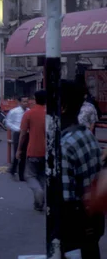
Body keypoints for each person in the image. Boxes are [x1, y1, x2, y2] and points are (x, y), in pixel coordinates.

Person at [60, 80, 105, 258]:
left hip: (75, 228)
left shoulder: (64, 145)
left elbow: (66, 201)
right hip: (94, 221)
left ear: (62, 106)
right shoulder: (87, 136)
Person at [16, 90, 47, 212]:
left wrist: (19, 150)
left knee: (29, 175)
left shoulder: (29, 114)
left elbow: (23, 134)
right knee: (42, 176)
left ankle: (38, 192)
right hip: (48, 151)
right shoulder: (50, 113)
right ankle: (38, 203)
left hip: (33, 149)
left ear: (34, 99)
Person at [5, 96, 29, 181]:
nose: (26, 103)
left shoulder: (29, 111)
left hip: (26, 134)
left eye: (27, 101)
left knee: (24, 154)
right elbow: (8, 122)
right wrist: (17, 129)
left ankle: (21, 175)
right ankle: (13, 168)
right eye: (24, 102)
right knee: (17, 152)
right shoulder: (14, 111)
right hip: (17, 133)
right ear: (19, 102)